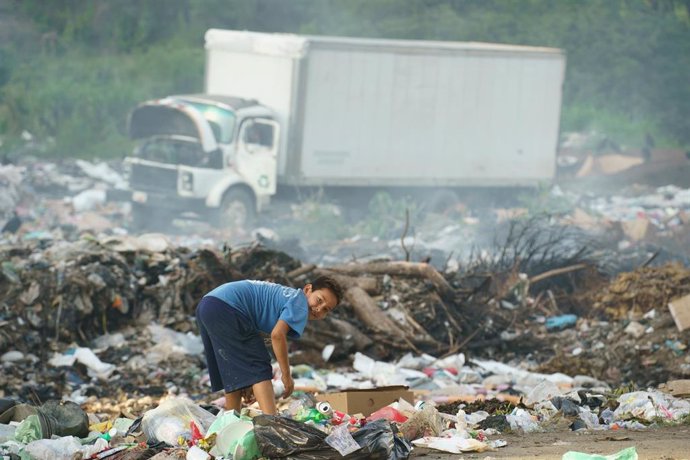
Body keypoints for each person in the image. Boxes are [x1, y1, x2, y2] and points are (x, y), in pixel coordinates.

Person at [195, 276, 343, 414]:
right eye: (319, 300)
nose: (318, 308)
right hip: (226, 307)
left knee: (233, 373)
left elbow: (244, 357)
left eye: (326, 309)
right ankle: (272, 425)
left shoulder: (290, 297)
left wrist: (247, 383)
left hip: (209, 304)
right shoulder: (300, 304)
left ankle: (230, 421)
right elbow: (277, 336)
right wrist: (286, 376)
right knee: (260, 368)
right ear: (307, 289)